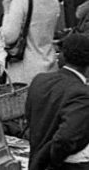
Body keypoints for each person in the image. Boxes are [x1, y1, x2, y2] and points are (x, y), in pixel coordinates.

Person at [26, 32, 89, 170]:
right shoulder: (82, 94)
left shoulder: (39, 80)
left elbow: (31, 119)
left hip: (36, 160)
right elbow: (65, 139)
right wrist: (54, 162)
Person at [2, 0, 65, 86]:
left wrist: (7, 11)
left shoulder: (22, 0)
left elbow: (9, 37)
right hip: (50, 64)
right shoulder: (54, 1)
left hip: (25, 69)